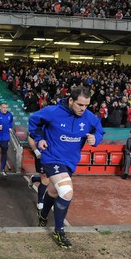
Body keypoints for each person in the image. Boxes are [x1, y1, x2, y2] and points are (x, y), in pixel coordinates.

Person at [28, 86, 104, 249]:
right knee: (66, 191)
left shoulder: (89, 117)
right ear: (71, 100)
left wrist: (95, 138)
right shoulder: (52, 112)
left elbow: (100, 131)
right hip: (51, 157)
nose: (83, 109)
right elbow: (33, 121)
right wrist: (38, 138)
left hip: (70, 161)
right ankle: (59, 230)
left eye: (86, 105)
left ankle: (43, 215)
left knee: (54, 192)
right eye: (80, 105)